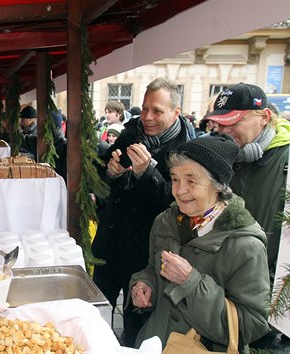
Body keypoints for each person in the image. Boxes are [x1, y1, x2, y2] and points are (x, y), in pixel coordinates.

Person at [130, 134, 270, 351]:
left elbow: (252, 324)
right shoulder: (165, 222)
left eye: (191, 180)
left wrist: (190, 283)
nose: (179, 190)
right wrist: (144, 285)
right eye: (175, 179)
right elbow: (152, 269)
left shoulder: (245, 245)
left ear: (218, 185)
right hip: (156, 344)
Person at [91, 77, 192, 347]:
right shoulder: (130, 133)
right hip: (109, 247)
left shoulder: (186, 152)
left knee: (137, 332)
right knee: (94, 320)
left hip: (147, 259)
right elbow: (103, 175)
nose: (147, 116)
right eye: (145, 108)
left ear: (176, 113)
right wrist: (109, 173)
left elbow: (177, 205)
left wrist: (147, 174)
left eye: (157, 111)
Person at [206, 83, 290, 286]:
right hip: (220, 282)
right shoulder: (222, 155)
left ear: (264, 117)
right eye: (220, 123)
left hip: (265, 289)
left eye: (234, 122)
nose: (225, 131)